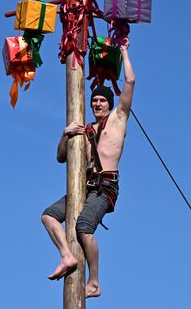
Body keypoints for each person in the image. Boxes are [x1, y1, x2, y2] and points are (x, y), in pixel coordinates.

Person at [41, 37, 135, 298]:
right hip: (84, 185)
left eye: (102, 101)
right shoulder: (85, 130)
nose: (97, 104)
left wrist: (124, 52)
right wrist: (66, 134)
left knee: (84, 227)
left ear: (108, 103)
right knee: (48, 216)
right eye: (94, 101)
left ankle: (94, 282)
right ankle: (66, 255)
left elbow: (129, 83)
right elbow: (62, 158)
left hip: (105, 187)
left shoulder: (118, 120)